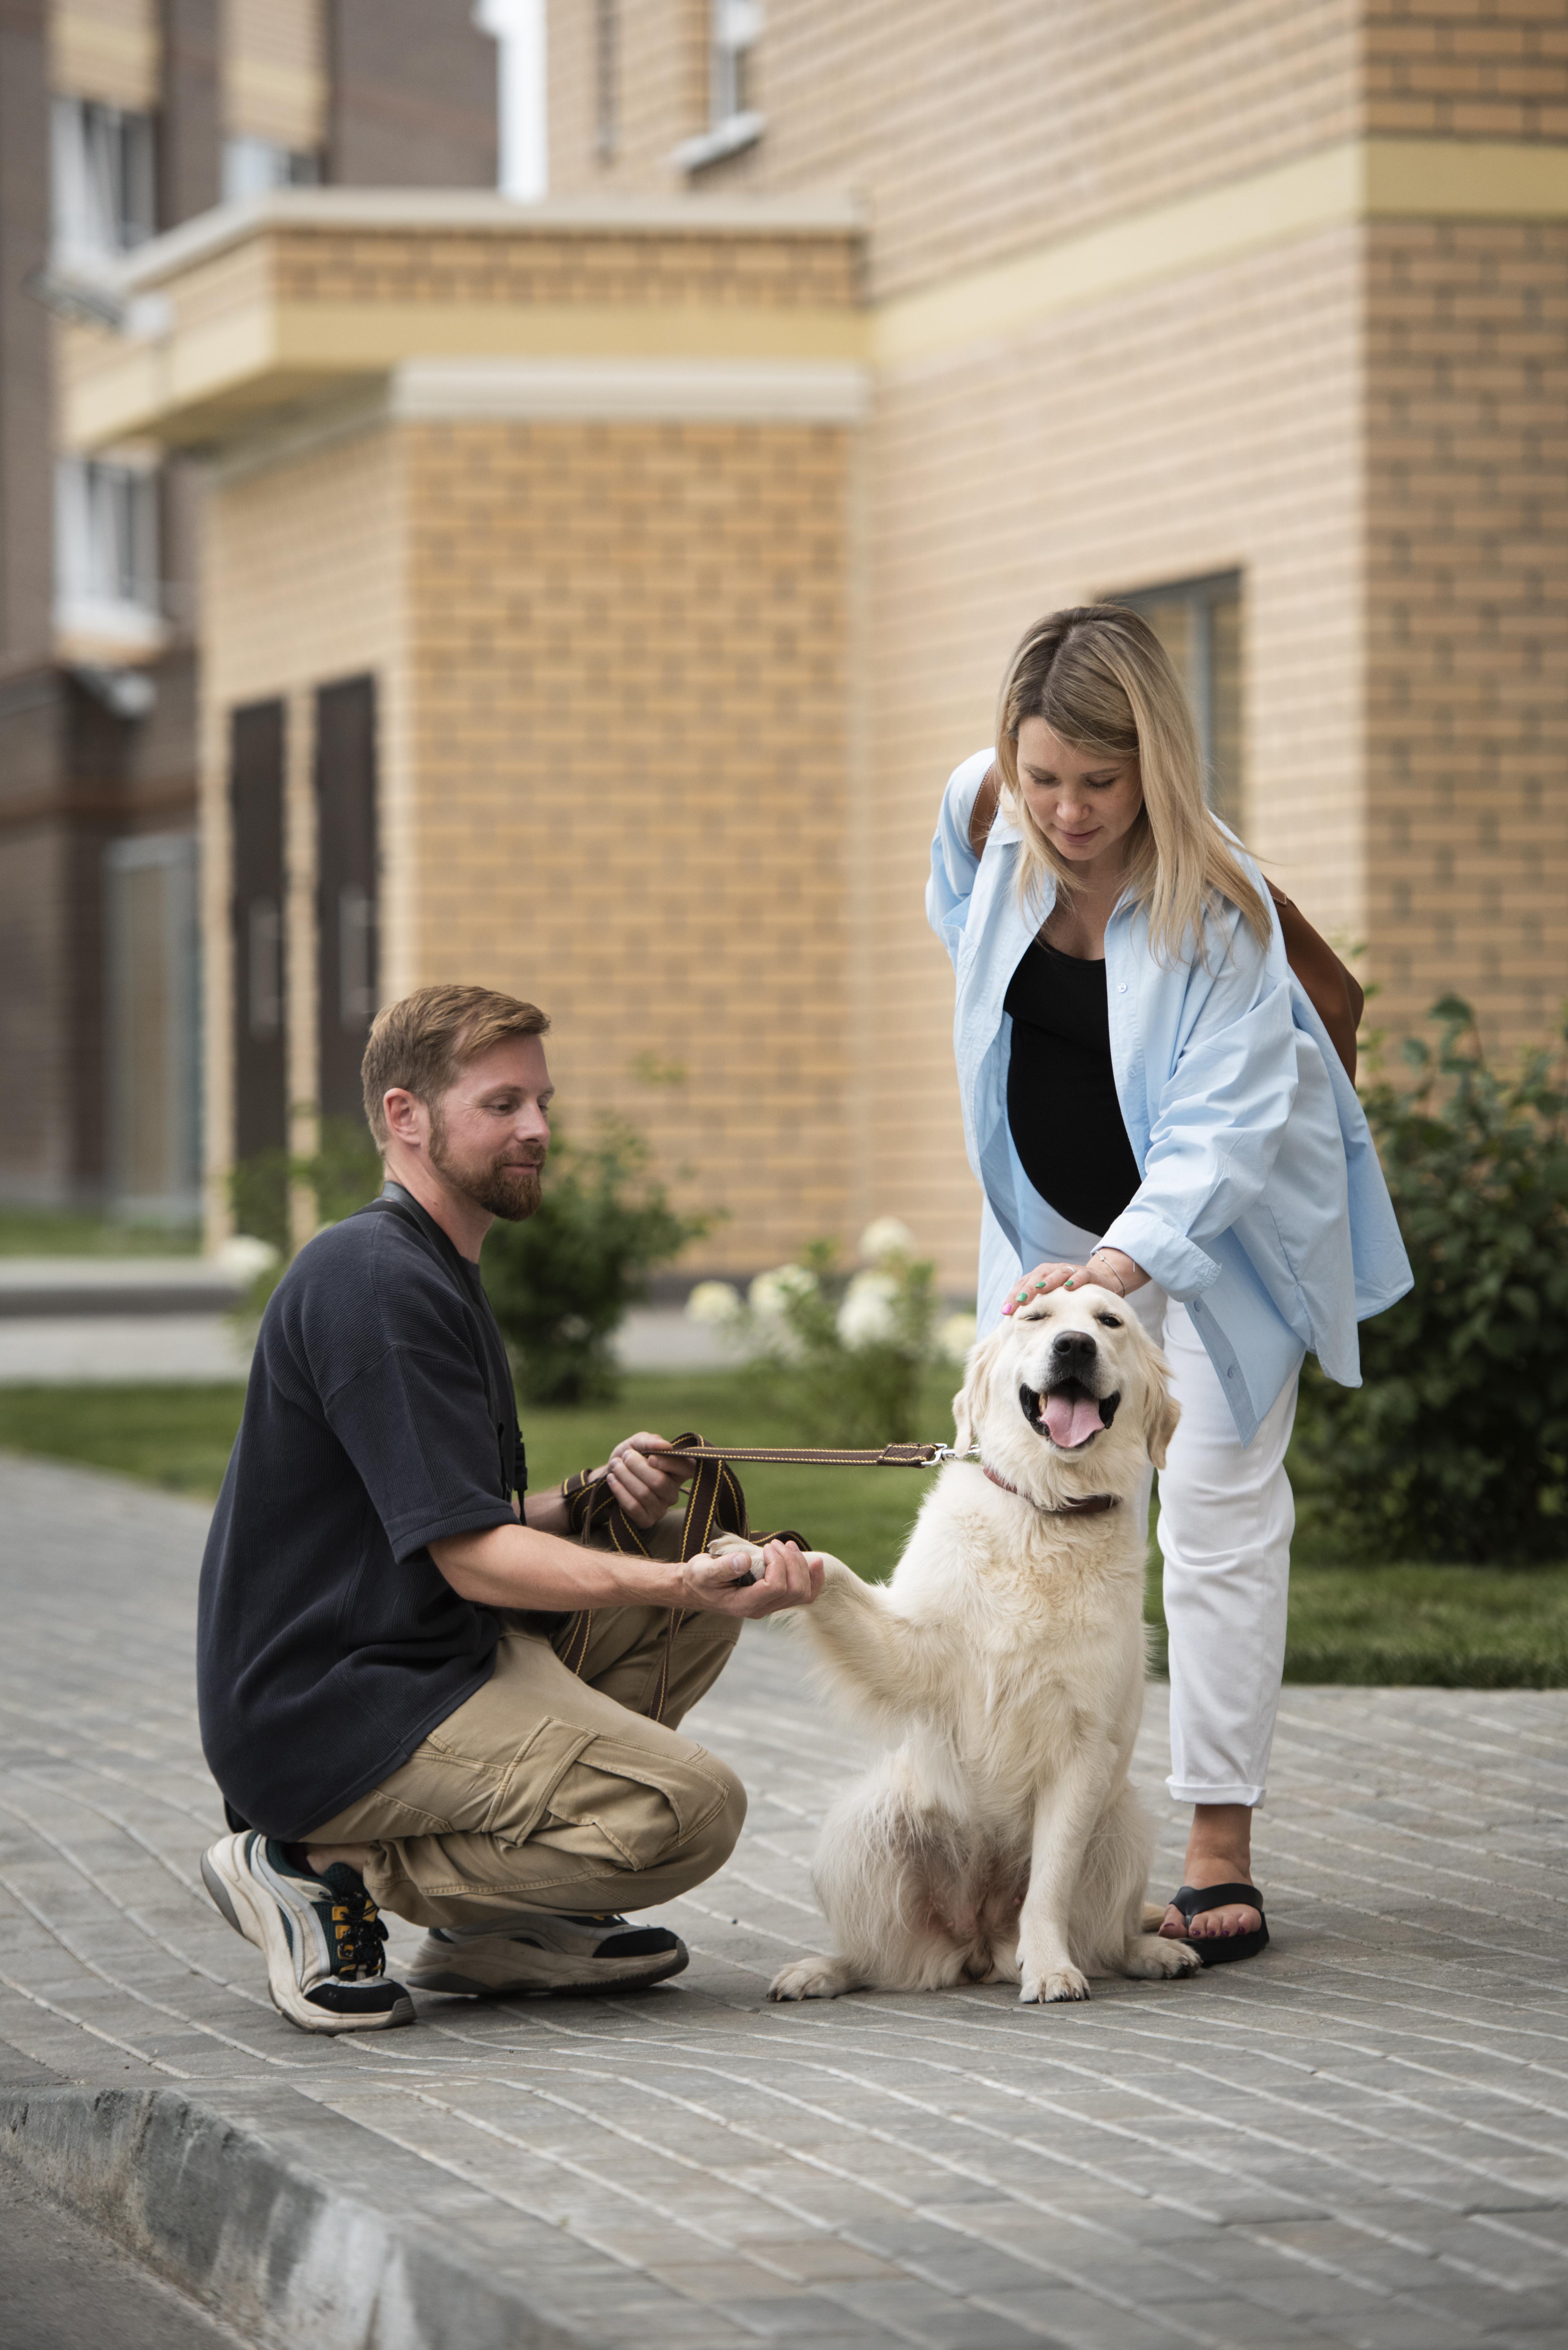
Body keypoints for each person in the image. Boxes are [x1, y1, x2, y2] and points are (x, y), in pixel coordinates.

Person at [197, 983, 821, 2033]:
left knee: (684, 1543)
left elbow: (439, 1518)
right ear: (406, 1117)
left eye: (541, 1101)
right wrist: (682, 1585)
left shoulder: (430, 1267)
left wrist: (589, 1503)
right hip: (334, 1710)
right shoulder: (374, 1281)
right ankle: (307, 1861)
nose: (537, 1127)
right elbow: (473, 1558)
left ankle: (500, 1932)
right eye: (501, 1105)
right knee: (691, 1809)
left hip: (427, 1653)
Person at [927, 607, 1411, 1962]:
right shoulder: (981, 817)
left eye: (1102, 782)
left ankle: (1216, 1845)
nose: (1069, 814)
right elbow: (958, 929)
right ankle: (1037, 1841)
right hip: (1046, 1238)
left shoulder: (1221, 907)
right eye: (1045, 780)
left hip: (1213, 1248)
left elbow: (1224, 1132)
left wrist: (1125, 1267)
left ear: (1157, 767)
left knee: (1212, 1507)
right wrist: (1065, 1256)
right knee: (1023, 1510)